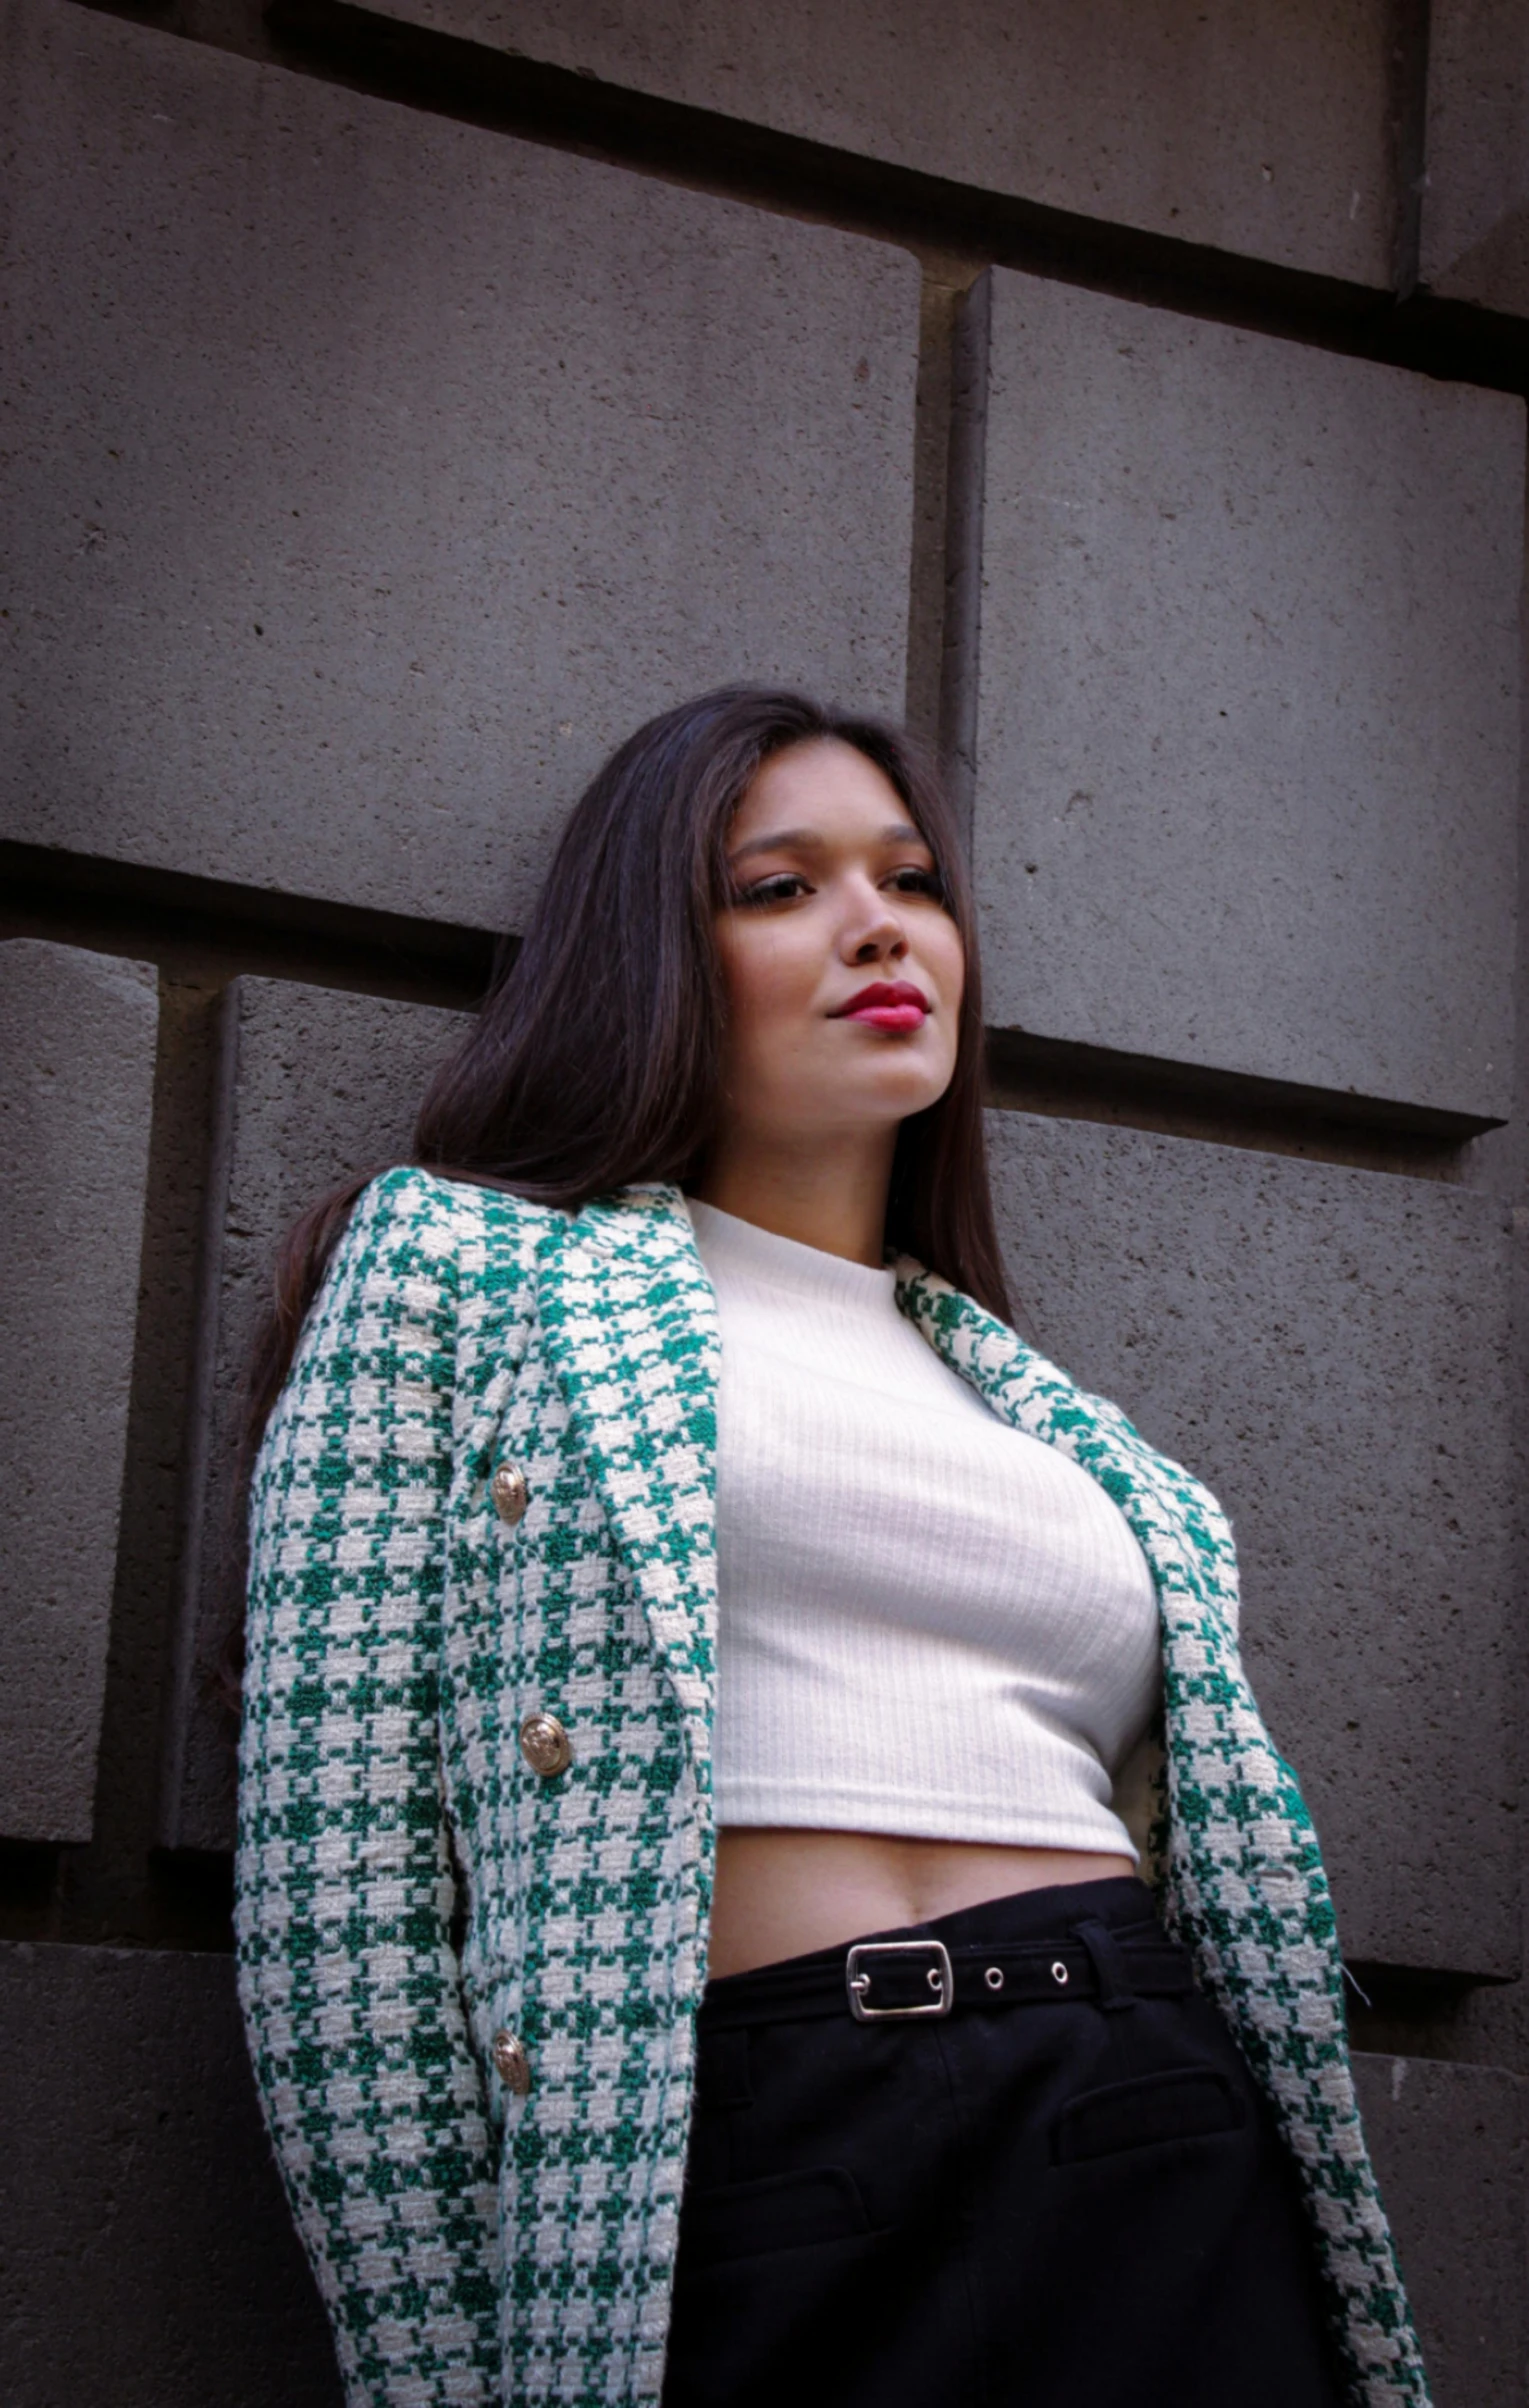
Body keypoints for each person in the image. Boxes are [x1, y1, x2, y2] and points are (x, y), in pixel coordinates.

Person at [235, 687, 1428, 2408]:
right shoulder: (465, 1269)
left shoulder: (1055, 1422)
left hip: (1140, 2108)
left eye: (913, 879)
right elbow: (333, 1884)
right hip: (747, 2140)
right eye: (779, 887)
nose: (881, 924)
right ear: (651, 954)